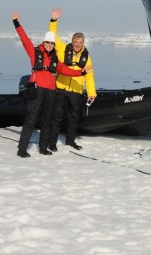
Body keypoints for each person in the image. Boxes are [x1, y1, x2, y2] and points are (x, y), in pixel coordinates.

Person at [11, 11, 91, 158]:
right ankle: (22, 149)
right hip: (37, 89)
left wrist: (82, 73)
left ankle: (43, 147)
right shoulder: (35, 52)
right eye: (47, 42)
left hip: (50, 91)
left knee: (47, 119)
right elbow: (24, 39)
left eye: (51, 43)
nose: (49, 45)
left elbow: (66, 70)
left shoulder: (56, 58)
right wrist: (16, 23)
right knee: (31, 118)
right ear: (44, 42)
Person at [46, 8, 97, 151]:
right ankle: (52, 142)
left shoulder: (86, 58)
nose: (77, 44)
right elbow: (53, 36)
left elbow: (90, 78)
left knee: (73, 117)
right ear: (72, 41)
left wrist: (92, 93)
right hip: (61, 88)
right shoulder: (62, 49)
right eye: (76, 41)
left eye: (80, 42)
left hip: (76, 90)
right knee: (57, 116)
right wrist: (54, 20)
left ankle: (70, 141)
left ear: (83, 43)